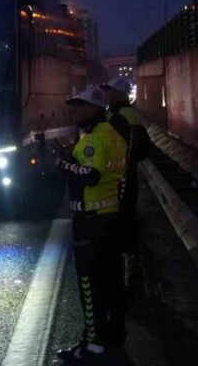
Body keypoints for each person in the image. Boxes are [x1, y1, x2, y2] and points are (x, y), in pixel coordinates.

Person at [55, 85, 129, 364]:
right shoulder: (113, 134)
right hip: (110, 217)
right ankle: (113, 337)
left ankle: (92, 347)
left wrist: (63, 164)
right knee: (111, 283)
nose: (76, 110)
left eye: (81, 106)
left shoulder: (95, 139)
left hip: (90, 223)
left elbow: (91, 174)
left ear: (95, 109)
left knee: (89, 284)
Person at [102, 76, 151, 291]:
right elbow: (144, 148)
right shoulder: (122, 114)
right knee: (125, 220)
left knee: (123, 222)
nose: (108, 94)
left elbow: (136, 147)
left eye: (111, 91)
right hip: (124, 177)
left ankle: (130, 272)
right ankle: (130, 269)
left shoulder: (121, 117)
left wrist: (122, 165)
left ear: (121, 94)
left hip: (120, 179)